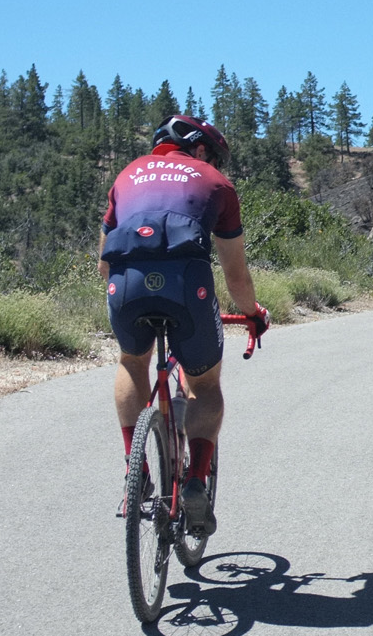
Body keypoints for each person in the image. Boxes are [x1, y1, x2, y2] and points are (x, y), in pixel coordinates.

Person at [99, 114, 269, 536]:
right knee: (205, 385)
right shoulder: (216, 182)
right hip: (187, 289)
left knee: (133, 361)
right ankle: (195, 480)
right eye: (210, 154)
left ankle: (133, 472)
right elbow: (236, 275)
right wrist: (252, 313)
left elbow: (104, 264)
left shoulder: (126, 175)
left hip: (126, 285)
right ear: (199, 149)